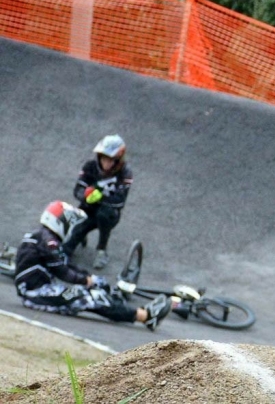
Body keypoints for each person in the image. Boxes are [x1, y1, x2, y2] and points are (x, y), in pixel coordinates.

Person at [14, 201, 170, 330]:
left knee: (93, 290)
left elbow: (66, 265)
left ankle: (134, 311)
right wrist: (86, 281)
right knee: (92, 297)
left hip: (36, 292)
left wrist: (90, 278)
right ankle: (146, 316)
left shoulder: (42, 237)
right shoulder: (48, 241)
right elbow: (62, 271)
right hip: (36, 294)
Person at [62, 134, 134, 270]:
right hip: (87, 209)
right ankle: (78, 237)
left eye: (110, 160)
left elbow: (120, 201)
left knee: (104, 214)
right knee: (69, 242)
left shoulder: (125, 173)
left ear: (118, 160)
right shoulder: (90, 167)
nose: (105, 163)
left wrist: (101, 197)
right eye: (103, 158)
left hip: (109, 213)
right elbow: (77, 190)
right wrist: (86, 195)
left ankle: (102, 250)